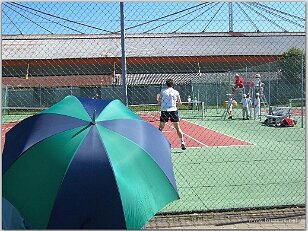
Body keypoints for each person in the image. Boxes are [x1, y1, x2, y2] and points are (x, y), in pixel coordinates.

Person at [157, 79, 186, 150]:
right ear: (172, 84)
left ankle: (157, 142)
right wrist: (176, 105)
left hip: (165, 111)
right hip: (173, 110)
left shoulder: (163, 91)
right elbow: (180, 102)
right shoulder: (176, 92)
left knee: (161, 128)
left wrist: (159, 102)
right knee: (177, 128)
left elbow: (159, 101)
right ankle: (182, 142)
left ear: (166, 84)